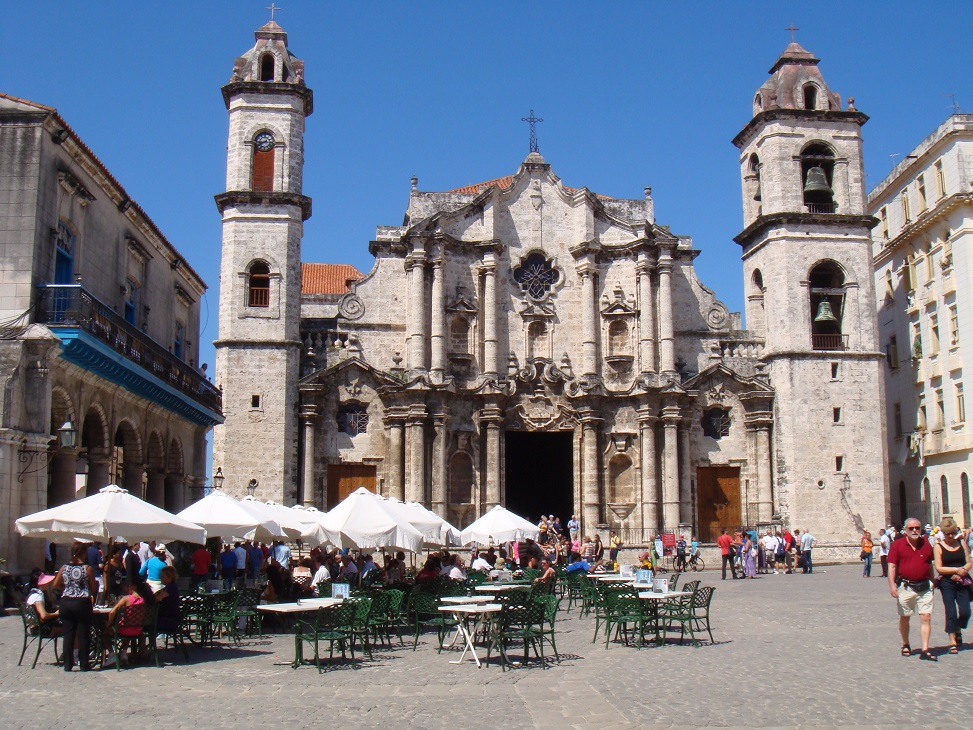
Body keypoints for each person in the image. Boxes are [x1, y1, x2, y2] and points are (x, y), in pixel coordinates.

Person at [889, 517, 937, 660]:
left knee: (926, 617)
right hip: (906, 586)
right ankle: (905, 643)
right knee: (905, 617)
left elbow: (929, 564)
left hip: (924, 586)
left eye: (917, 528)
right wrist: (892, 585)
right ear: (905, 530)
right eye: (911, 528)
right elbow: (892, 566)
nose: (915, 530)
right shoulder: (897, 545)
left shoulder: (926, 544)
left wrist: (933, 581)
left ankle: (925, 649)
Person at [52, 540, 97, 672]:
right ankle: (84, 664)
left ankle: (68, 664)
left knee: (68, 634)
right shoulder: (87, 568)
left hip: (66, 601)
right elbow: (93, 587)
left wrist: (66, 588)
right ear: (83, 553)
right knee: (83, 634)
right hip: (82, 602)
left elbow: (55, 584)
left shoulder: (64, 567)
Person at [933, 516, 972, 654]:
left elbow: (968, 561)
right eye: (948, 533)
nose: (951, 536)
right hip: (947, 582)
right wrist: (956, 570)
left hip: (962, 581)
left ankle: (957, 628)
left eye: (953, 533)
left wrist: (962, 572)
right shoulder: (938, 546)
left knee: (966, 611)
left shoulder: (961, 543)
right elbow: (939, 567)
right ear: (943, 533)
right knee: (951, 611)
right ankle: (952, 641)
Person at [25, 571, 62, 635]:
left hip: (34, 627)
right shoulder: (38, 597)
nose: (47, 584)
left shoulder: (32, 594)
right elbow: (44, 616)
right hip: (40, 629)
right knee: (70, 628)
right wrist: (56, 613)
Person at [153, 566, 181, 636]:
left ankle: (148, 645)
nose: (161, 578)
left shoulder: (171, 589)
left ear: (170, 577)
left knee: (144, 623)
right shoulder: (168, 587)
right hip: (167, 618)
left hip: (170, 621)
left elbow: (155, 599)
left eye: (163, 577)